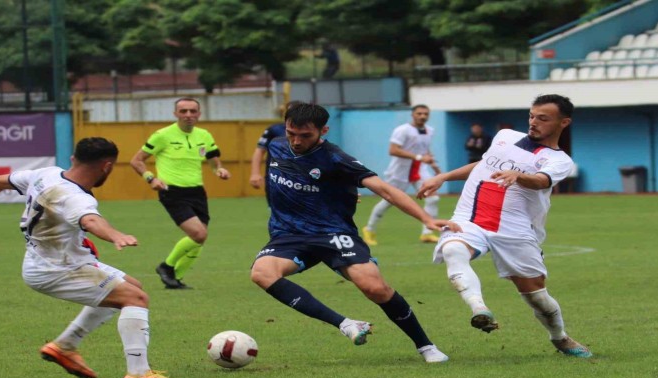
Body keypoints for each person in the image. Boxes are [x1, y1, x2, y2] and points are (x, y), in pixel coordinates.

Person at [0, 137, 187, 378]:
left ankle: (65, 346)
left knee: (132, 287)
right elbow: (90, 220)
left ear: (73, 159)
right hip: (58, 269)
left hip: (53, 261)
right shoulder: (77, 198)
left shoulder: (46, 173)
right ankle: (139, 374)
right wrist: (115, 235)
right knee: (136, 298)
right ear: (107, 166)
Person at [250, 103, 461, 363]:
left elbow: (385, 190)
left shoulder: (336, 158)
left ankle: (426, 346)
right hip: (289, 234)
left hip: (333, 233)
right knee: (262, 273)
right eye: (291, 133)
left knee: (375, 288)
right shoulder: (276, 145)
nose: (296, 141)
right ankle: (347, 324)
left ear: (323, 131)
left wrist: (426, 219)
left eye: (305, 135)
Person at [417, 94, 592, 358]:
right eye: (531, 116)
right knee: (453, 249)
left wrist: (518, 175)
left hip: (515, 228)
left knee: (536, 296)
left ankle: (560, 338)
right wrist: (444, 176)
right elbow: (483, 164)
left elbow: (541, 181)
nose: (534, 122)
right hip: (471, 216)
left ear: (563, 122)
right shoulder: (505, 136)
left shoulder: (560, 160)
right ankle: (479, 309)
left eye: (543, 118)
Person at [130, 97, 231, 289]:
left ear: (199, 114)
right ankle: (166, 267)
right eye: (183, 111)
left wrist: (219, 170)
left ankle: (175, 278)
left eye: (193, 111)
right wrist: (151, 178)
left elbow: (213, 160)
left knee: (200, 239)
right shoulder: (162, 135)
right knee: (199, 234)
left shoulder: (204, 135)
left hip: (197, 191)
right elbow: (136, 160)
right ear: (175, 113)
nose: (188, 115)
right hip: (172, 191)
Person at [362, 104, 442, 246]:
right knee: (388, 201)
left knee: (433, 198)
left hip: (419, 170)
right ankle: (369, 229)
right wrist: (419, 157)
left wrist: (434, 167)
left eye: (425, 114)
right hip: (400, 171)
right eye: (419, 113)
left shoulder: (429, 130)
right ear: (412, 115)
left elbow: (425, 150)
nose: (422, 116)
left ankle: (427, 233)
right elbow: (393, 150)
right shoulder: (402, 130)